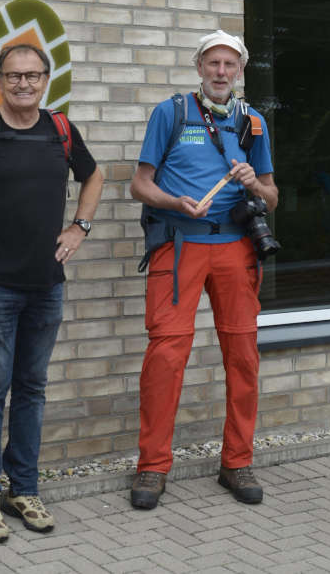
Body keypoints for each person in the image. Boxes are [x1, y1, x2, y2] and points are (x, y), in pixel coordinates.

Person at [0, 44, 103, 543]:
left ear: (46, 79)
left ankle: (23, 488)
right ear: (0, 79)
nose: (24, 84)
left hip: (46, 286)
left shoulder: (61, 130)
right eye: (14, 76)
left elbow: (94, 176)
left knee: (32, 389)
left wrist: (79, 227)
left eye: (32, 75)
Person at [128, 30, 278, 510]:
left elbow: (272, 197)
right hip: (178, 247)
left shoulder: (253, 122)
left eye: (229, 65)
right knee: (166, 357)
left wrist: (255, 182)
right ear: (199, 67)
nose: (221, 72)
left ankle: (237, 461)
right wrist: (174, 202)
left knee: (243, 355)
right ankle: (152, 467)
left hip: (236, 249)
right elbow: (139, 185)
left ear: (239, 71)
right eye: (213, 63)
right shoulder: (171, 113)